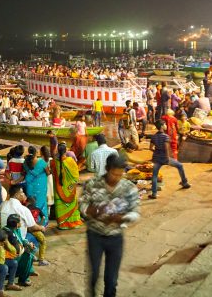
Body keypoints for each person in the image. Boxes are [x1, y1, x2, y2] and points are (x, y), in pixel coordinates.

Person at [79, 155, 140, 297]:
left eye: (120, 174)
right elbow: (82, 204)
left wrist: (122, 218)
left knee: (111, 279)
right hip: (95, 235)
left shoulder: (128, 188)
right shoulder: (92, 184)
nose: (117, 178)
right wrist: (90, 211)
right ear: (107, 169)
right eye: (114, 173)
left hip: (115, 237)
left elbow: (136, 212)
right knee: (94, 274)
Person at [0, 184, 47, 265]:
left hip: (5, 234)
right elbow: (32, 227)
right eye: (23, 193)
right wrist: (42, 228)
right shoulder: (23, 209)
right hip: (18, 237)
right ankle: (38, 259)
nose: (24, 195)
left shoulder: (2, 205)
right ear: (17, 195)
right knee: (41, 237)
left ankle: (30, 255)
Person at [149, 120, 190, 199]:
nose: (166, 125)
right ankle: (184, 183)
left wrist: (157, 152)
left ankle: (154, 194)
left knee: (154, 175)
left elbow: (150, 148)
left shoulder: (153, 136)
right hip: (165, 157)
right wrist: (167, 157)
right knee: (180, 166)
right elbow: (166, 148)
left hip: (156, 158)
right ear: (161, 126)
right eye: (164, 124)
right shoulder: (165, 136)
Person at [51, 142, 83, 229]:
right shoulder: (70, 161)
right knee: (72, 205)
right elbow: (76, 176)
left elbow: (52, 173)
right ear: (66, 151)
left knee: (60, 205)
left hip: (59, 189)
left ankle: (62, 224)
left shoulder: (54, 162)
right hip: (70, 189)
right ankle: (74, 222)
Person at [3, 214, 35, 287]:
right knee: (28, 255)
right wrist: (27, 246)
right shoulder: (8, 232)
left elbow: (21, 240)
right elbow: (18, 250)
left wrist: (27, 243)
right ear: (17, 224)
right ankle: (23, 280)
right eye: (20, 222)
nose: (21, 223)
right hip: (9, 256)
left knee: (32, 249)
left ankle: (29, 271)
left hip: (15, 252)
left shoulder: (16, 229)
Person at [24, 145, 50, 228]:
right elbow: (48, 173)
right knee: (41, 202)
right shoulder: (42, 162)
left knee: (31, 203)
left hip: (30, 185)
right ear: (36, 153)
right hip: (40, 186)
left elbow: (24, 172)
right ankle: (42, 221)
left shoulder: (25, 162)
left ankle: (31, 221)